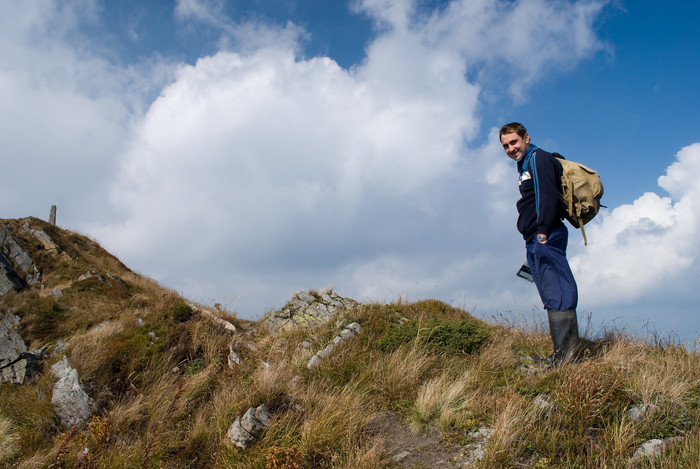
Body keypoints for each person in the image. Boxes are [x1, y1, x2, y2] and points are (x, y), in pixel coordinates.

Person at [500, 122, 579, 365]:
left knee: (559, 289)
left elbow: (547, 195)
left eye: (514, 142)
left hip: (546, 234)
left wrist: (543, 231)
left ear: (525, 137)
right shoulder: (523, 165)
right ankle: (560, 354)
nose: (511, 148)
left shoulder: (539, 158)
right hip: (535, 236)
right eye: (506, 146)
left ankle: (567, 358)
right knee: (550, 292)